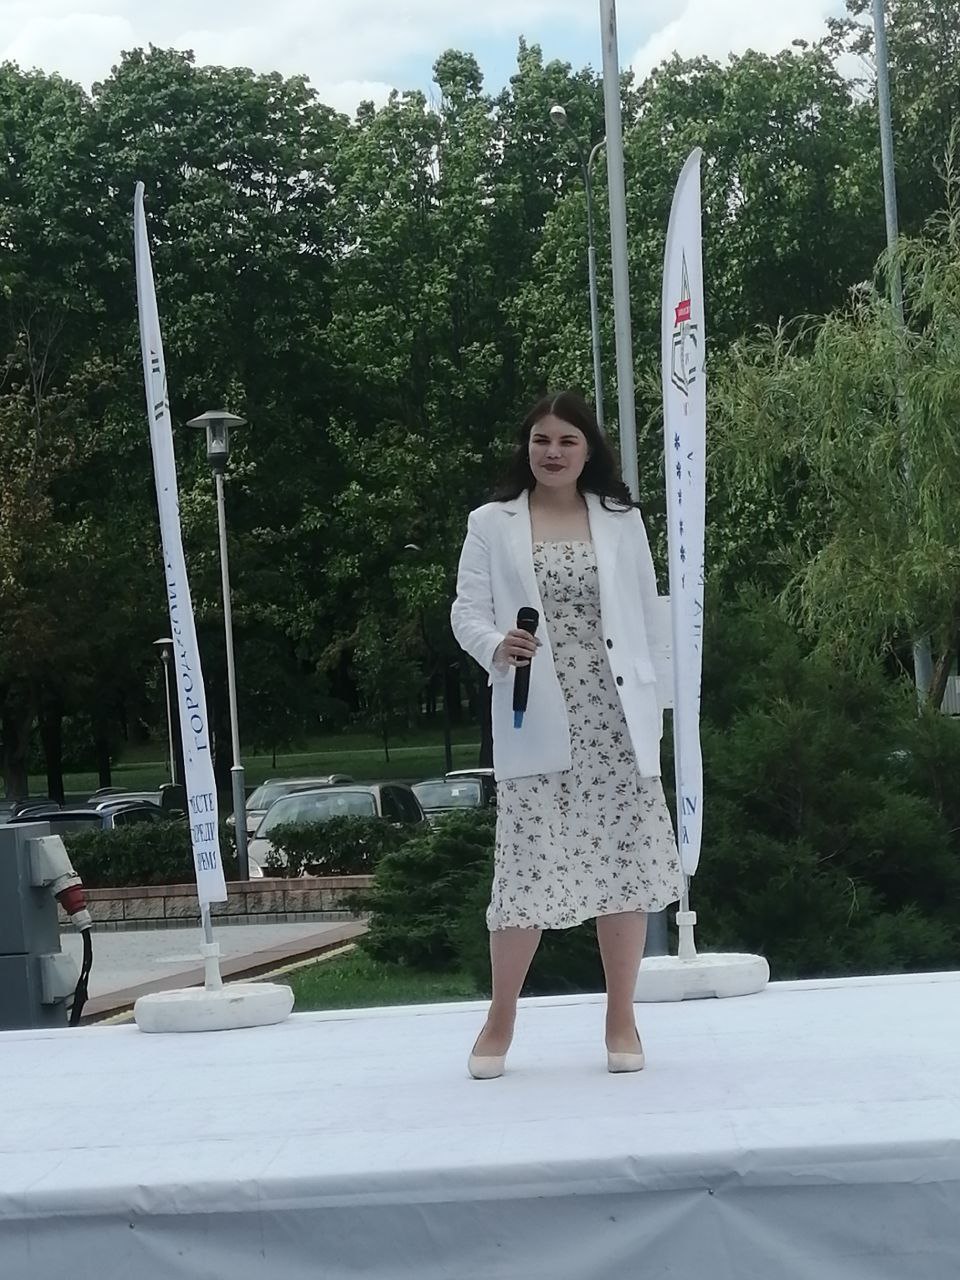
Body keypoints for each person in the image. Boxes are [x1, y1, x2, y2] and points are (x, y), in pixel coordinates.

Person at [450, 389, 684, 1079]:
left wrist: (660, 707)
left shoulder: (620, 519)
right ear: (527, 448)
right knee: (524, 868)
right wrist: (497, 646)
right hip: (537, 714)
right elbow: (466, 611)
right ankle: (500, 1018)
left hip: (617, 717)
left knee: (622, 865)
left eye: (566, 441)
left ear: (588, 451)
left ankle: (621, 1017)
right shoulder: (491, 523)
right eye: (542, 441)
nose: (552, 453)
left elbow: (650, 614)